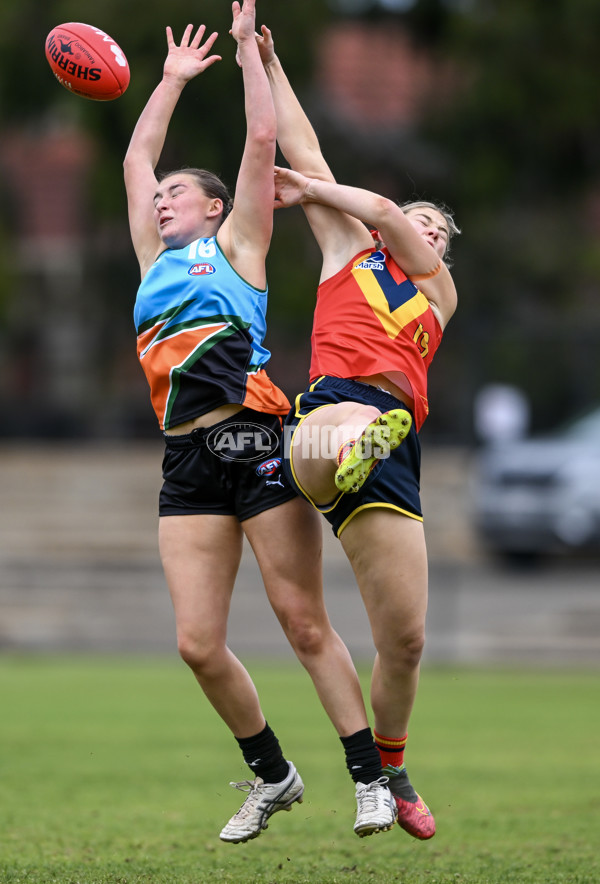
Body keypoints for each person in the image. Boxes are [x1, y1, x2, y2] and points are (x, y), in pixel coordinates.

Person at [123, 1, 398, 844]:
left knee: (303, 621)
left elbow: (259, 147)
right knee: (198, 646)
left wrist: (247, 53)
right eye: (161, 196)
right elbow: (136, 154)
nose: (163, 198)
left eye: (178, 194)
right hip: (186, 461)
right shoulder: (153, 257)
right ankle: (273, 775)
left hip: (254, 442)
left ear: (216, 211)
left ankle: (372, 781)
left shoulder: (238, 245)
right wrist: (168, 82)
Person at [259, 25, 460, 841]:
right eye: (419, 220)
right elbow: (309, 146)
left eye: (439, 229)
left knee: (405, 639)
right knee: (331, 434)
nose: (428, 231)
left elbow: (369, 199)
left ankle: (392, 766)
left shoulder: (438, 297)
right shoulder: (352, 248)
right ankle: (336, 454)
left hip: (396, 447)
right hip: (341, 407)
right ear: (386, 233)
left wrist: (308, 187)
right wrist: (270, 63)